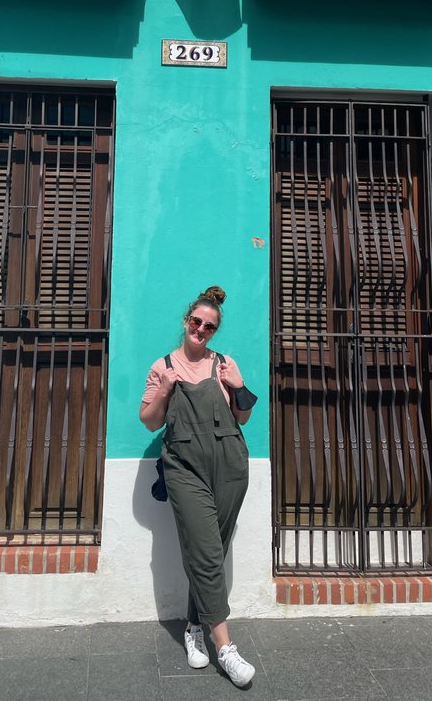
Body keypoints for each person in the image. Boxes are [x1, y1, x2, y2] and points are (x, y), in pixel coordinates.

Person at [140, 285, 256, 688]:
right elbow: (151, 421)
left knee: (212, 551)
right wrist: (167, 390)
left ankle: (193, 628)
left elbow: (242, 417)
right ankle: (225, 648)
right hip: (185, 469)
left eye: (209, 326)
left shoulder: (224, 364)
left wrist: (238, 384)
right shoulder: (163, 367)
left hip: (230, 466)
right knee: (207, 553)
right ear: (185, 322)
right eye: (196, 322)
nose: (201, 329)